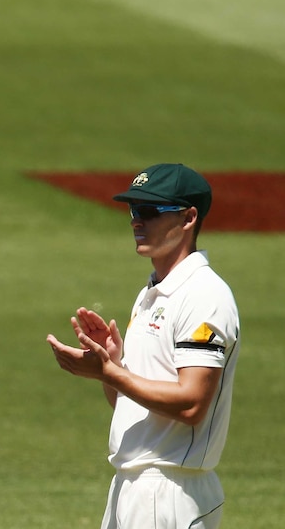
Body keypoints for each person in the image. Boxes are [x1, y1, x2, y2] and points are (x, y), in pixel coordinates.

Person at [47, 163, 240, 529]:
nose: (137, 221)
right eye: (134, 210)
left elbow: (192, 403)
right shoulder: (152, 293)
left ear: (188, 217)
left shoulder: (204, 295)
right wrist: (113, 366)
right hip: (134, 486)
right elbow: (130, 406)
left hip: (168, 492)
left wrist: (110, 373)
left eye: (150, 212)